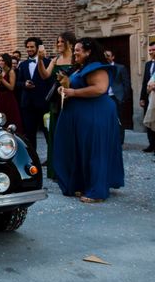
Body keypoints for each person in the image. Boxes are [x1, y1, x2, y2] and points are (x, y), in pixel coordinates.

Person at [53, 38, 124, 203]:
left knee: (95, 150)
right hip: (83, 115)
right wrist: (64, 86)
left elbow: (100, 89)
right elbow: (76, 86)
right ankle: (84, 184)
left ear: (88, 52)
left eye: (78, 50)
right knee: (81, 150)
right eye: (75, 50)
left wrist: (72, 92)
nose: (75, 53)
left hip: (96, 114)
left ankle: (97, 191)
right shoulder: (80, 68)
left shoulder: (97, 68)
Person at [36, 32, 75, 179]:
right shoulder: (55, 60)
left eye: (61, 42)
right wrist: (40, 60)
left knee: (69, 134)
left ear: (70, 43)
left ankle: (69, 167)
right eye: (57, 41)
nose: (58, 44)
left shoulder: (75, 59)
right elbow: (45, 75)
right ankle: (55, 169)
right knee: (55, 133)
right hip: (56, 101)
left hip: (71, 98)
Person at [16, 37, 52, 150]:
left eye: (32, 47)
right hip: (27, 104)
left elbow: (50, 82)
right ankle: (33, 161)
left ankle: (51, 159)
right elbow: (17, 83)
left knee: (48, 133)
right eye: (27, 47)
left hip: (43, 104)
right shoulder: (23, 65)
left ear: (38, 48)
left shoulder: (48, 62)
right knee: (30, 135)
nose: (29, 49)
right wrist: (24, 84)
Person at [103, 49, 131, 144]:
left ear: (113, 57)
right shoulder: (102, 69)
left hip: (117, 97)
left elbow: (126, 84)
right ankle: (109, 140)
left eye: (108, 56)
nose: (106, 58)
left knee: (119, 120)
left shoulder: (120, 68)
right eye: (105, 56)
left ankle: (119, 141)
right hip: (105, 97)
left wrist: (123, 98)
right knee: (106, 119)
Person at [0, 53, 24, 133]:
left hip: (9, 99)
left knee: (10, 120)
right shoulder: (0, 71)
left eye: (2, 60)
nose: (0, 62)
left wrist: (1, 78)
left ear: (6, 61)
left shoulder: (11, 72)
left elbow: (11, 87)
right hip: (0, 99)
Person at [139, 41, 155, 152]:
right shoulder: (148, 64)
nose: (151, 52)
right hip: (148, 97)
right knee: (149, 121)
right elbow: (144, 82)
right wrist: (142, 98)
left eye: (153, 50)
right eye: (149, 50)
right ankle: (152, 145)